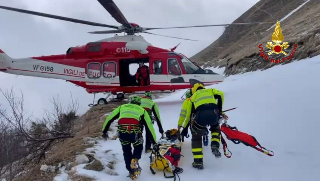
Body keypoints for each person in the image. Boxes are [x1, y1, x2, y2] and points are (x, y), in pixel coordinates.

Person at [102, 95, 157, 180]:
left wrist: (104, 131)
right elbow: (150, 127)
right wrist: (154, 142)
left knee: (126, 152)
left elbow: (109, 118)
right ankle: (135, 159)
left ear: (130, 102)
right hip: (135, 135)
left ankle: (130, 171)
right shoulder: (142, 110)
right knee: (138, 146)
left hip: (123, 134)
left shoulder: (122, 107)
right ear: (139, 103)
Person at [181, 83, 228, 169]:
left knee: (196, 138)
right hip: (214, 114)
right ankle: (215, 145)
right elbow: (221, 94)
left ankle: (198, 162)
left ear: (194, 90)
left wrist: (184, 128)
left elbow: (188, 114)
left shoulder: (193, 97)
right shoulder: (210, 91)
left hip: (200, 117)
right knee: (215, 128)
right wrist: (220, 111)